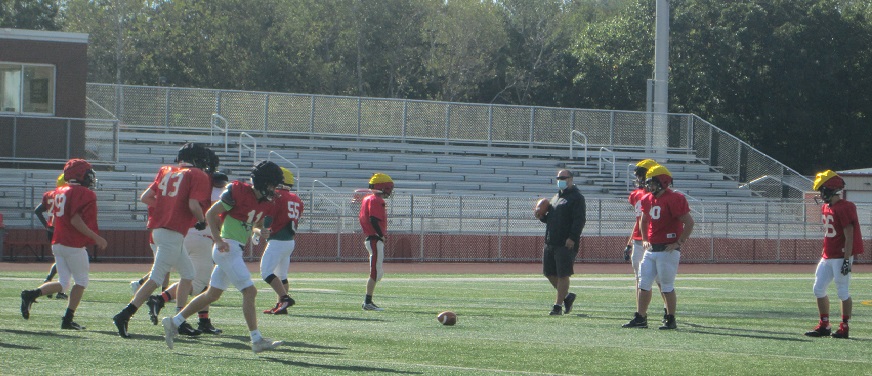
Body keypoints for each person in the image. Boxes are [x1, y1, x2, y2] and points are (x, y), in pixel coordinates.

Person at [162, 160, 284, 354]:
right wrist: (217, 240)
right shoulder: (238, 191)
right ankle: (256, 339)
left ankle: (174, 321)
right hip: (227, 248)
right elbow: (211, 214)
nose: (274, 189)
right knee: (250, 292)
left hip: (234, 250)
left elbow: (255, 224)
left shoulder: (264, 202)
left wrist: (260, 232)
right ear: (264, 182)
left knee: (212, 294)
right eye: (272, 184)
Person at [113, 143, 212, 338]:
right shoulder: (197, 174)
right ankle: (125, 314)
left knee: (188, 274)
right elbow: (193, 204)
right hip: (171, 232)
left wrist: (168, 207)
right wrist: (202, 220)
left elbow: (146, 197)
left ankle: (180, 318)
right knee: (156, 279)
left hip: (160, 230)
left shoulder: (166, 171)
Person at [20, 159, 108, 329]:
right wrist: (96, 238)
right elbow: (75, 220)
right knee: (81, 282)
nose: (90, 178)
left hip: (58, 242)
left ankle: (31, 294)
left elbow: (50, 209)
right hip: (73, 243)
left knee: (64, 283)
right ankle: (67, 320)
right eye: (88, 174)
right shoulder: (82, 193)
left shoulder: (59, 191)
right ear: (80, 174)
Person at [147, 163, 229, 335]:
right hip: (201, 237)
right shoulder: (215, 192)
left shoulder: (190, 183)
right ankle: (160, 299)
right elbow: (216, 217)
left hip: (185, 233)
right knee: (198, 283)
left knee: (198, 280)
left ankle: (204, 320)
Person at [622, 165, 693, 330]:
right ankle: (640, 318)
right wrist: (645, 239)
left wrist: (679, 242)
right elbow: (644, 220)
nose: (649, 186)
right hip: (651, 249)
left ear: (663, 181)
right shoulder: (647, 199)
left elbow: (689, 222)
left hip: (667, 250)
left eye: (653, 183)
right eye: (648, 183)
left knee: (666, 285)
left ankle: (670, 318)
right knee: (643, 283)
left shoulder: (674, 198)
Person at [804, 170, 863, 339]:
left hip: (841, 255)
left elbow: (849, 233)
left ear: (829, 189)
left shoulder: (845, 206)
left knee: (842, 291)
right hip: (828, 255)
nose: (821, 195)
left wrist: (847, 260)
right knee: (818, 288)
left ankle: (844, 327)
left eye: (822, 190)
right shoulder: (826, 207)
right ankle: (824, 325)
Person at [535, 169, 586, 316]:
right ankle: (567, 297)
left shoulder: (576, 197)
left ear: (571, 179)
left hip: (565, 243)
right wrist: (541, 216)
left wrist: (572, 237)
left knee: (563, 274)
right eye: (558, 177)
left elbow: (579, 220)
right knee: (549, 273)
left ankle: (557, 306)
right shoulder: (556, 197)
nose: (560, 180)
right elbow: (550, 218)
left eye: (563, 177)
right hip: (551, 241)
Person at [625, 159, 668, 324]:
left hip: (655, 241)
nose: (639, 178)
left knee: (661, 279)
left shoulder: (658, 196)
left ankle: (667, 310)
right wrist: (629, 242)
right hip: (638, 241)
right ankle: (640, 314)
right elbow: (639, 221)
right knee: (640, 279)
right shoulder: (636, 195)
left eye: (641, 175)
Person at [261, 167, 304, 314]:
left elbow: (269, 217)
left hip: (277, 240)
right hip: (289, 241)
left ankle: (285, 298)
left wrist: (262, 229)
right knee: (282, 275)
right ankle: (281, 305)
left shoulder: (277, 196)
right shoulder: (297, 198)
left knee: (265, 272)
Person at [359, 173, 394, 311]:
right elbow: (373, 219)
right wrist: (381, 235)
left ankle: (368, 301)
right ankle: (367, 301)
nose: (389, 191)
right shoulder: (376, 200)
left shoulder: (368, 199)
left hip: (371, 237)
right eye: (388, 188)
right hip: (374, 238)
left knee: (377, 272)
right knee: (375, 271)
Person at [33, 173, 69, 300]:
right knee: (67, 260)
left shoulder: (49, 194)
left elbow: (37, 210)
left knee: (61, 259)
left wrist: (46, 225)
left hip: (51, 230)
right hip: (62, 230)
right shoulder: (65, 195)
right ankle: (58, 288)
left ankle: (50, 282)